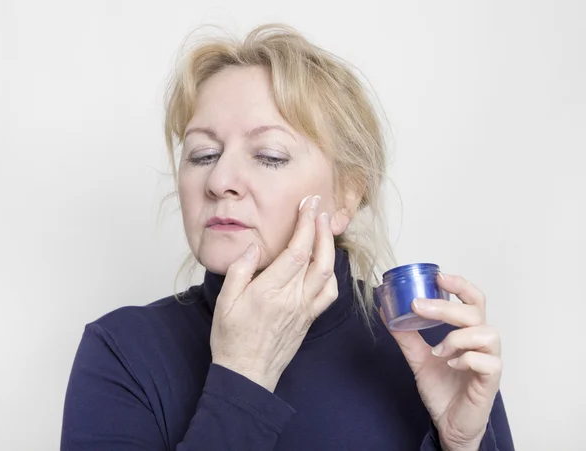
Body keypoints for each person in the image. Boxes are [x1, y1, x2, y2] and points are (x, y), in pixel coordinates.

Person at [61, 23, 514, 450]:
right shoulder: (122, 350)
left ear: (347, 196)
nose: (219, 180)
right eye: (203, 154)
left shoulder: (434, 344)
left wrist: (463, 443)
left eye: (270, 156)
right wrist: (243, 377)